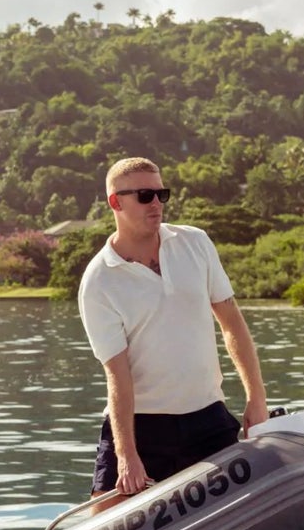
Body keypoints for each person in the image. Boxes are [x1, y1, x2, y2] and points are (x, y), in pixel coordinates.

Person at [77, 156, 270, 498]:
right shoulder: (99, 280)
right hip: (142, 424)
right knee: (101, 525)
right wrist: (127, 455)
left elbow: (232, 324)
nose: (157, 204)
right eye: (145, 196)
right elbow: (117, 373)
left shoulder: (195, 243)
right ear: (114, 202)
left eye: (161, 194)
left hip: (207, 416)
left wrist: (256, 396)